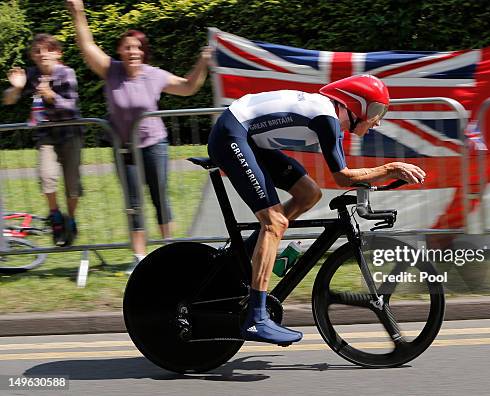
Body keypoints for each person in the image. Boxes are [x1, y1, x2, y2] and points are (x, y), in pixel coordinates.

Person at [207, 74, 426, 345]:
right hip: (231, 134)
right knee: (274, 222)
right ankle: (256, 318)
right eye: (376, 110)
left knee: (308, 193)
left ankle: (248, 256)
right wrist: (391, 168)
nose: (378, 120)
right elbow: (343, 177)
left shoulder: (328, 115)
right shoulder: (328, 118)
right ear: (357, 105)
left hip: (248, 137)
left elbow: (341, 177)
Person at [65, 0, 213, 272]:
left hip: (154, 145)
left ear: (143, 52)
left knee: (159, 198)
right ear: (120, 50)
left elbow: (189, 87)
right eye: (127, 47)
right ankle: (139, 258)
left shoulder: (153, 75)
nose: (133, 51)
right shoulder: (112, 71)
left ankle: (170, 252)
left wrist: (202, 62)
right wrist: (78, 12)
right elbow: (87, 47)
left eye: (137, 48)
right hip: (124, 149)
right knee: (133, 203)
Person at [3, 33, 83, 247]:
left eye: (47, 50)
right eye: (37, 51)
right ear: (32, 56)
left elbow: (71, 107)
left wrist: (50, 96)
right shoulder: (31, 75)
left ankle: (71, 219)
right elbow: (8, 100)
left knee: (72, 184)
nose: (42, 55)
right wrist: (17, 87)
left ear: (57, 53)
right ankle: (55, 216)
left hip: (70, 133)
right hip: (46, 135)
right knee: (46, 177)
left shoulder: (66, 73)